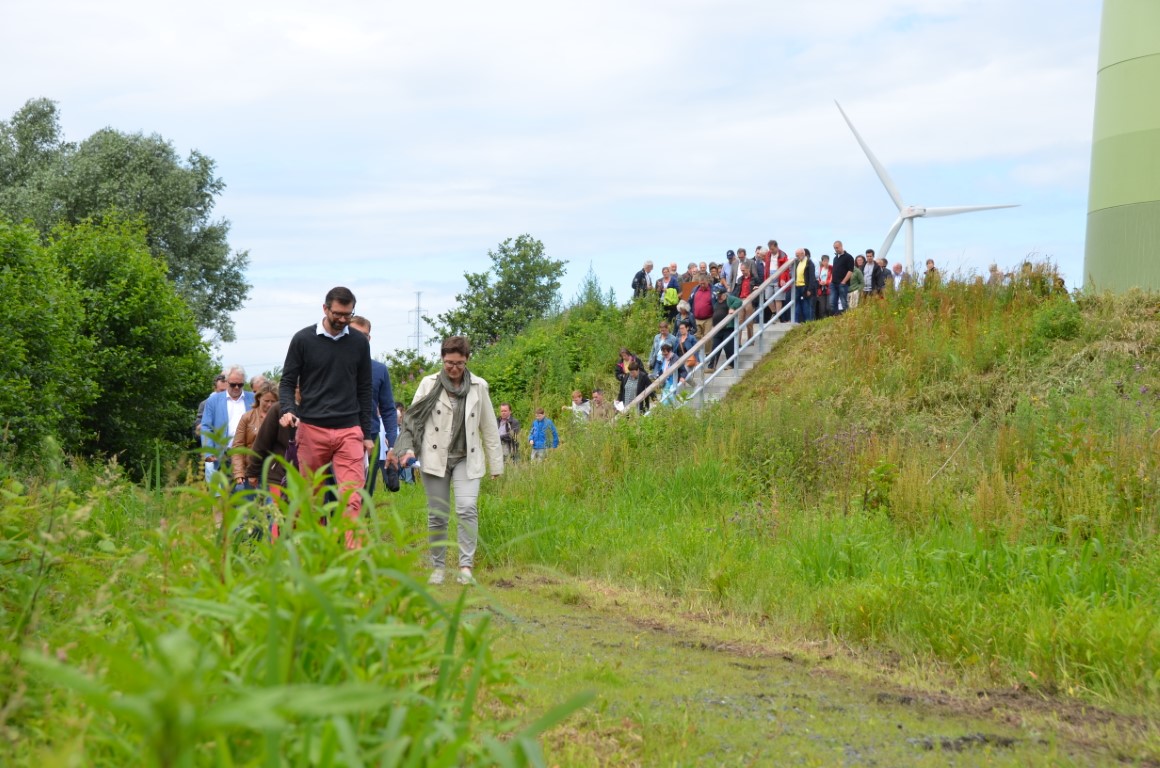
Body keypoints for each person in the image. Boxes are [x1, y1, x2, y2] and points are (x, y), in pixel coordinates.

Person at [396, 336, 503, 586]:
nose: (453, 368)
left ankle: (466, 566)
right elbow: (412, 420)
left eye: (459, 363)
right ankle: (438, 566)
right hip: (435, 458)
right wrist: (407, 450)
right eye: (449, 363)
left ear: (467, 361)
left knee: (467, 508)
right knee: (438, 514)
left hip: (468, 457)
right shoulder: (428, 384)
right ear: (442, 359)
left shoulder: (479, 386)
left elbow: (488, 426)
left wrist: (496, 464)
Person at [278, 286, 375, 548]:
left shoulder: (357, 342)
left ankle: (351, 557)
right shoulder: (303, 340)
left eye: (348, 314)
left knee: (352, 497)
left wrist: (367, 434)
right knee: (310, 497)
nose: (343, 319)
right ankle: (313, 552)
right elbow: (287, 382)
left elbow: (365, 389)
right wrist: (288, 409)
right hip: (312, 428)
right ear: (325, 309)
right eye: (338, 313)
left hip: (349, 429)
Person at [348, 315, 398, 496]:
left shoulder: (379, 370)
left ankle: (362, 524)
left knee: (365, 494)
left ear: (369, 339)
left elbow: (388, 409)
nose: (360, 339)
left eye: (365, 335)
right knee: (338, 494)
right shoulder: (333, 365)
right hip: (339, 434)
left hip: (370, 437)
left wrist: (392, 444)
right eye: (355, 333)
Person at [201, 366, 255, 482]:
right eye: (233, 384)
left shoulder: (253, 399)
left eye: (240, 385)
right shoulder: (213, 401)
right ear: (227, 382)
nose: (236, 388)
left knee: (246, 495)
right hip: (222, 455)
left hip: (246, 454)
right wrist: (209, 452)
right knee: (225, 495)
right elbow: (206, 427)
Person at [232, 381, 279, 491]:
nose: (269, 404)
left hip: (275, 470)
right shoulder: (247, 418)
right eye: (266, 401)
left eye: (273, 401)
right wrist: (239, 472)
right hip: (253, 469)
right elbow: (238, 446)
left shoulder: (282, 418)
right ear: (259, 398)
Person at [708, 284, 742, 371]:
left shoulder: (729, 298)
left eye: (719, 295)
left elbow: (739, 301)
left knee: (728, 346)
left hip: (728, 328)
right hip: (717, 328)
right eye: (717, 295)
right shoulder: (715, 302)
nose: (718, 297)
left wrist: (732, 307)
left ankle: (731, 364)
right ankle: (712, 366)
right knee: (715, 347)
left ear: (724, 294)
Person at [193, 373, 227, 441]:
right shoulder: (205, 404)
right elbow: (198, 431)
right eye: (222, 391)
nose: (225, 393)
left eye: (227, 390)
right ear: (214, 388)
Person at [731, 261, 757, 341]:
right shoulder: (739, 279)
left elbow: (760, 285)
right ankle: (738, 342)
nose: (742, 272)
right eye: (741, 270)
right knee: (739, 321)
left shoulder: (754, 278)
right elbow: (737, 290)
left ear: (748, 269)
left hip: (749, 299)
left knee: (749, 321)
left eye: (743, 270)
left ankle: (750, 339)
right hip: (740, 300)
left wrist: (756, 287)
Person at [830, 241, 855, 315]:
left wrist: (844, 281)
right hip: (834, 283)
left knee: (844, 302)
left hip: (842, 284)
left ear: (841, 246)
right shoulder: (835, 258)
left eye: (837, 247)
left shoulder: (849, 257)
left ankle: (847, 316)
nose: (836, 249)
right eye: (834, 248)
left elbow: (850, 270)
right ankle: (836, 317)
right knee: (832, 302)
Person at [793, 249, 818, 322]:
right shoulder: (798, 262)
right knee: (797, 304)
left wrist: (809, 289)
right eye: (796, 255)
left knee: (807, 305)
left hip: (805, 286)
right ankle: (796, 321)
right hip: (798, 286)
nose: (797, 257)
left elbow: (812, 277)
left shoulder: (809, 263)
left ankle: (808, 322)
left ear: (802, 254)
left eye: (798, 255)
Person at [689, 274, 715, 342]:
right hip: (696, 319)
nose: (702, 285)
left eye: (704, 283)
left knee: (707, 337)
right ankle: (699, 352)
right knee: (697, 337)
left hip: (708, 318)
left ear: (708, 282)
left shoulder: (713, 290)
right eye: (701, 284)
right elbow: (690, 301)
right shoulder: (695, 290)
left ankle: (707, 353)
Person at [815, 254, 832, 320]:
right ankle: (822, 320)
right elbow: (817, 278)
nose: (826, 262)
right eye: (824, 261)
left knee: (829, 306)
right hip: (821, 289)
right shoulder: (820, 269)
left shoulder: (831, 268)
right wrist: (820, 282)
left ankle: (829, 319)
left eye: (827, 261)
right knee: (822, 307)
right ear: (822, 262)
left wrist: (826, 282)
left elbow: (832, 278)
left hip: (829, 289)